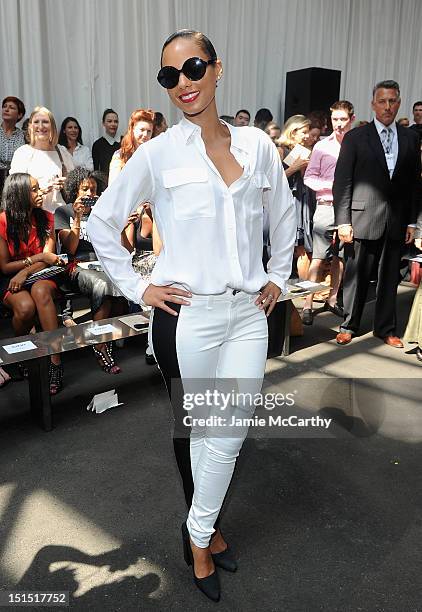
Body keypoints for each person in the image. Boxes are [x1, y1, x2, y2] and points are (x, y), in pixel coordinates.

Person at [87, 28, 296, 602]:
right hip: (191, 318)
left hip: (250, 313)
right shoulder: (157, 153)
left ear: (217, 69)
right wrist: (137, 286)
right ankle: (204, 535)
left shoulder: (257, 146)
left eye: (193, 67)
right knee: (200, 432)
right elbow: (101, 224)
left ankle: (197, 534)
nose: (182, 83)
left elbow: (282, 216)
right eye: (169, 75)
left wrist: (279, 273)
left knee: (227, 435)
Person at [333, 80, 422, 347]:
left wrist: (412, 222)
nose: (387, 106)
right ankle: (349, 324)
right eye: (382, 101)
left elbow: (414, 185)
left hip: (396, 221)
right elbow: (343, 182)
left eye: (392, 101)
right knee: (356, 275)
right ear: (373, 104)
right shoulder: (356, 138)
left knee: (389, 277)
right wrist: (343, 221)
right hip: (361, 219)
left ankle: (385, 328)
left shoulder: (410, 138)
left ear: (399, 102)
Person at [56, 167, 126, 373]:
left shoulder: (100, 212)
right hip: (75, 265)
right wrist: (77, 218)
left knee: (119, 281)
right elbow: (70, 248)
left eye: (93, 190)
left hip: (100, 263)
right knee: (102, 284)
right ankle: (100, 346)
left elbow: (113, 243)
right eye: (85, 189)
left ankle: (108, 336)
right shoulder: (64, 211)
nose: (89, 194)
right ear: (75, 190)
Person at [0, 173, 65, 394]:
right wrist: (35, 260)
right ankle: (21, 349)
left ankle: (56, 360)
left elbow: (49, 259)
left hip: (41, 275)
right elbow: (5, 267)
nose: (41, 193)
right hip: (11, 278)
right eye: (34, 190)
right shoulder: (2, 222)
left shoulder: (46, 217)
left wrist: (26, 270)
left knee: (40, 291)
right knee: (25, 308)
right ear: (19, 194)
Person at [301, 100, 355, 324]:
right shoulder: (322, 147)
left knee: (341, 256)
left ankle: (332, 299)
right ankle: (307, 303)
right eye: (335, 119)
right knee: (318, 257)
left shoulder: (356, 145)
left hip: (350, 208)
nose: (339, 124)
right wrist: (330, 186)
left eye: (343, 119)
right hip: (325, 206)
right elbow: (308, 177)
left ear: (351, 119)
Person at [9, 106, 74, 213]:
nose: (40, 126)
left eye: (45, 122)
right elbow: (15, 189)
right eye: (36, 122)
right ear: (30, 126)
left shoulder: (62, 151)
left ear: (52, 126)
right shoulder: (23, 153)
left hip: (60, 215)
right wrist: (42, 189)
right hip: (33, 215)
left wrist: (66, 183)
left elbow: (74, 183)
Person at [279, 114, 313, 278]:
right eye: (304, 132)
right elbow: (273, 180)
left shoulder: (305, 151)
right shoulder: (279, 150)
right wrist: (295, 167)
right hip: (285, 202)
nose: (307, 136)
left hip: (302, 202)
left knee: (301, 248)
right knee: (285, 248)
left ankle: (302, 295)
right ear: (293, 132)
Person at [0, 96, 26, 195]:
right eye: (5, 106)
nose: (6, 109)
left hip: (14, 181)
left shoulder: (24, 135)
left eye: (11, 107)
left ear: (19, 115)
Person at [92, 109, 120, 173]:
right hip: (105, 181)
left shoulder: (125, 141)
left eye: (116, 121)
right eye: (109, 121)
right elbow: (96, 170)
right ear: (103, 123)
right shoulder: (97, 144)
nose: (113, 124)